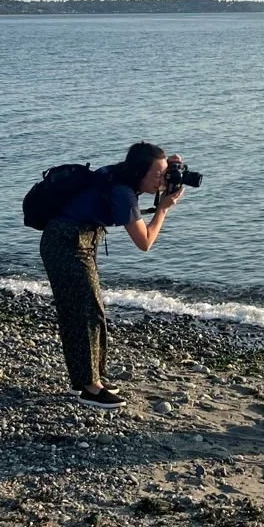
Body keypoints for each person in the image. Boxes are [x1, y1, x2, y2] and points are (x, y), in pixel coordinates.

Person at [39, 141, 183, 409]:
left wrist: (173, 167)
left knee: (85, 310)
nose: (162, 180)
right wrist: (162, 209)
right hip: (66, 243)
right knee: (86, 312)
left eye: (165, 174)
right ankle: (90, 388)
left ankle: (88, 378)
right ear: (139, 172)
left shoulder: (121, 174)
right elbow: (145, 242)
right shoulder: (123, 193)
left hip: (77, 240)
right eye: (158, 175)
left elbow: (159, 169)